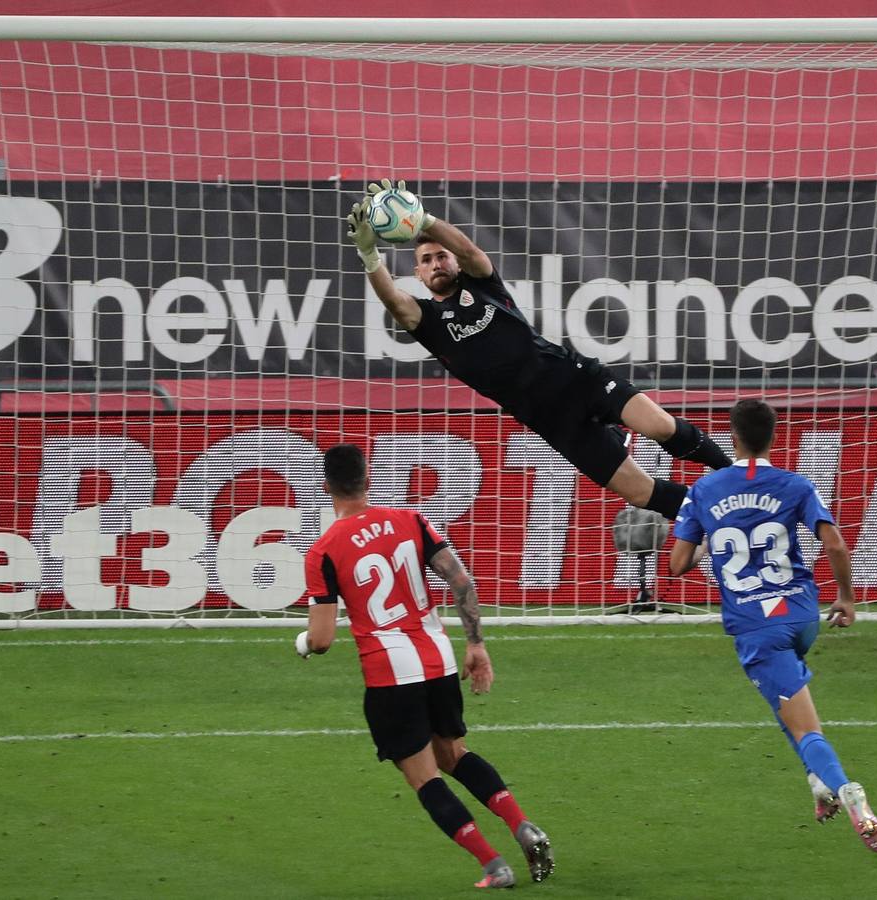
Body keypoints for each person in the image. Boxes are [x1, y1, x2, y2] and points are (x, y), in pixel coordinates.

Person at [346, 179, 731, 522]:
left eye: (440, 255)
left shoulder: (481, 283)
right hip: (551, 421)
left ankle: (734, 475)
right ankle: (709, 515)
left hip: (579, 380)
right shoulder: (427, 321)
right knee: (639, 492)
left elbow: (468, 249)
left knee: (661, 426)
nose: (436, 263)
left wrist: (422, 219)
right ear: (418, 274)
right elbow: (396, 303)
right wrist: (370, 257)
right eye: (426, 261)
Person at [297, 443, 555, 889]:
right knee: (453, 754)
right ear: (368, 480)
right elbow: (461, 580)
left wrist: (302, 643)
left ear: (326, 487)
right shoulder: (410, 520)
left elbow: (322, 640)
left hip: (388, 675)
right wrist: (476, 645)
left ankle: (494, 866)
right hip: (437, 662)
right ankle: (522, 825)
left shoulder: (324, 549)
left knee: (424, 777)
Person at [666, 399, 877, 853]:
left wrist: (711, 531)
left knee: (808, 730)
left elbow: (677, 565)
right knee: (785, 700)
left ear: (732, 437)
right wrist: (846, 598)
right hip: (803, 616)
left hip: (756, 627)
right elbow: (836, 544)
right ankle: (818, 785)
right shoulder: (795, 484)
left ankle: (852, 796)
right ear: (773, 437)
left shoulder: (704, 489)